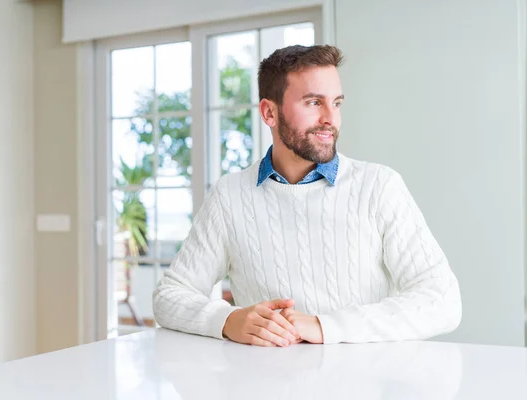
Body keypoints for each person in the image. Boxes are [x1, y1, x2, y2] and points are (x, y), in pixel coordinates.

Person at [153, 44, 462, 347]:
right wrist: (229, 321)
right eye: (314, 103)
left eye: (337, 103)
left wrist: (321, 326)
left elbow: (442, 301)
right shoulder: (229, 196)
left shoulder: (379, 187)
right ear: (269, 112)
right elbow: (170, 296)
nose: (331, 118)